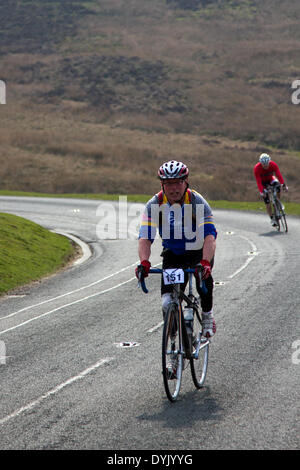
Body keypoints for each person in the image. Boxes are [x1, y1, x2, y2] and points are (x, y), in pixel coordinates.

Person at [135, 160, 217, 338]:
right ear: (162, 185)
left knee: (203, 282)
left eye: (178, 183)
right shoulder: (154, 204)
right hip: (173, 254)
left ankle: (207, 315)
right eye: (169, 184)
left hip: (199, 251)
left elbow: (210, 235)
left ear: (186, 182)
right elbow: (145, 238)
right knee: (167, 303)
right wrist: (144, 262)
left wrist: (205, 262)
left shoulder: (197, 201)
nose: (174, 188)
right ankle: (174, 345)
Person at [253, 153, 288, 226]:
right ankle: (272, 218)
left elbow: (278, 175)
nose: (265, 166)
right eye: (263, 164)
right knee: (267, 203)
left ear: (269, 162)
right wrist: (262, 191)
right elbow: (258, 181)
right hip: (263, 183)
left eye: (267, 164)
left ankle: (277, 202)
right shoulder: (257, 168)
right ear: (261, 163)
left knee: (278, 186)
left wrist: (283, 184)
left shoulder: (273, 165)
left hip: (271, 179)